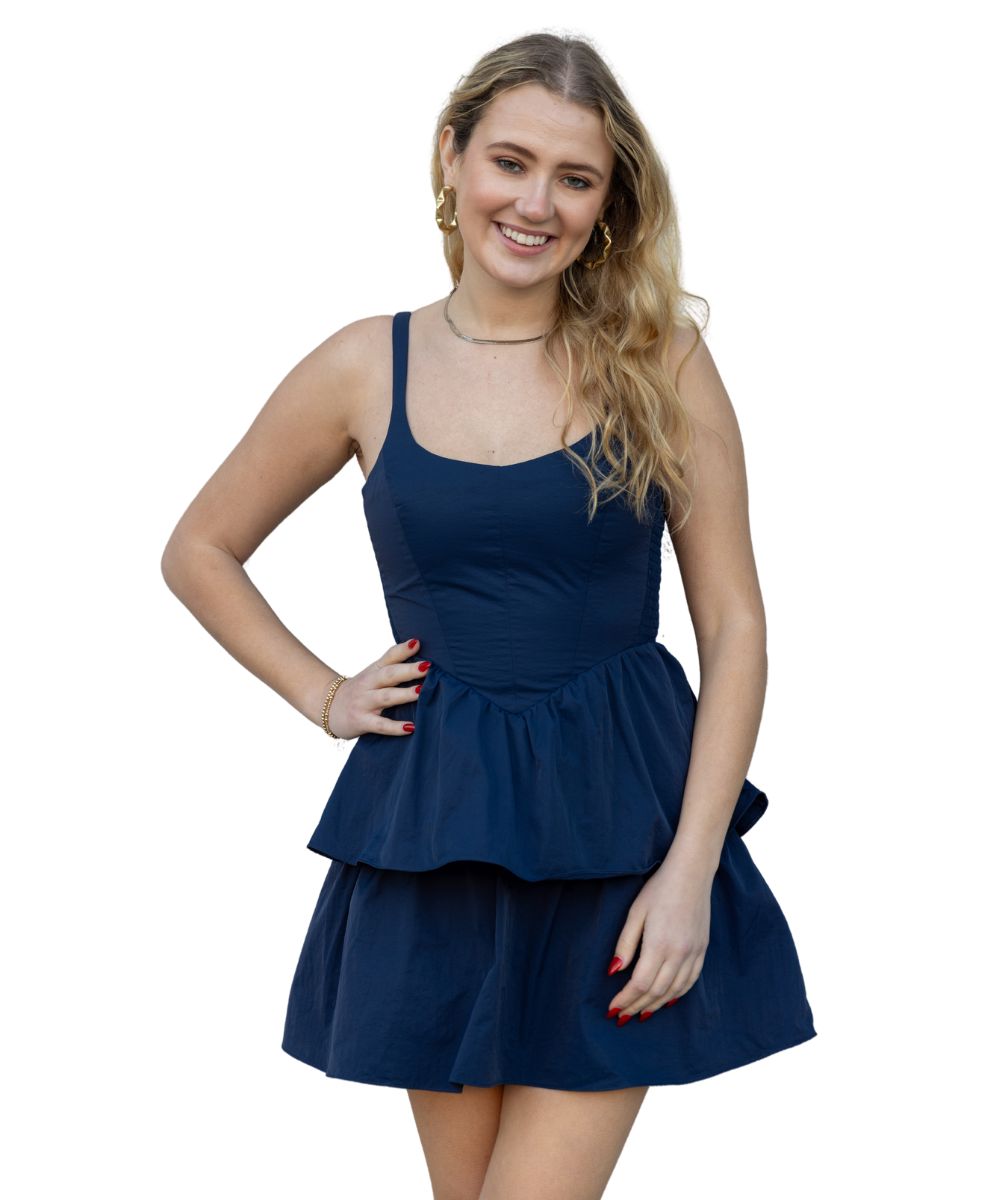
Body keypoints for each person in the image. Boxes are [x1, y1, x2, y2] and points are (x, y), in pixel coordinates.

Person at [161, 30, 817, 1200]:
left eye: (574, 178)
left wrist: (690, 869)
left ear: (607, 202)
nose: (534, 203)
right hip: (437, 829)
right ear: (451, 157)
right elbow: (199, 550)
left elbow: (734, 627)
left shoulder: (661, 361)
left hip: (621, 834)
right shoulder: (364, 365)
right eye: (510, 162)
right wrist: (324, 695)